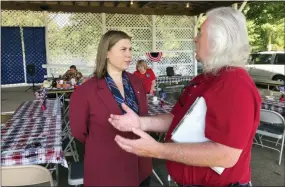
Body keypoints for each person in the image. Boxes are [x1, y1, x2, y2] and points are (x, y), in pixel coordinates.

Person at [108, 7, 262, 187]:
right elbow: (177, 118)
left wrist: (158, 150)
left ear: (217, 42)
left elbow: (225, 155)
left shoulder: (235, 84)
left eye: (201, 34)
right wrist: (141, 123)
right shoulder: (206, 78)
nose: (194, 38)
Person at [69, 30, 152, 186]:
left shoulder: (137, 82)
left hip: (140, 165)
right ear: (106, 52)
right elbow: (79, 133)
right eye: (123, 49)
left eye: (130, 49)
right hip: (107, 170)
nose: (129, 54)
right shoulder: (86, 91)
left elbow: (143, 118)